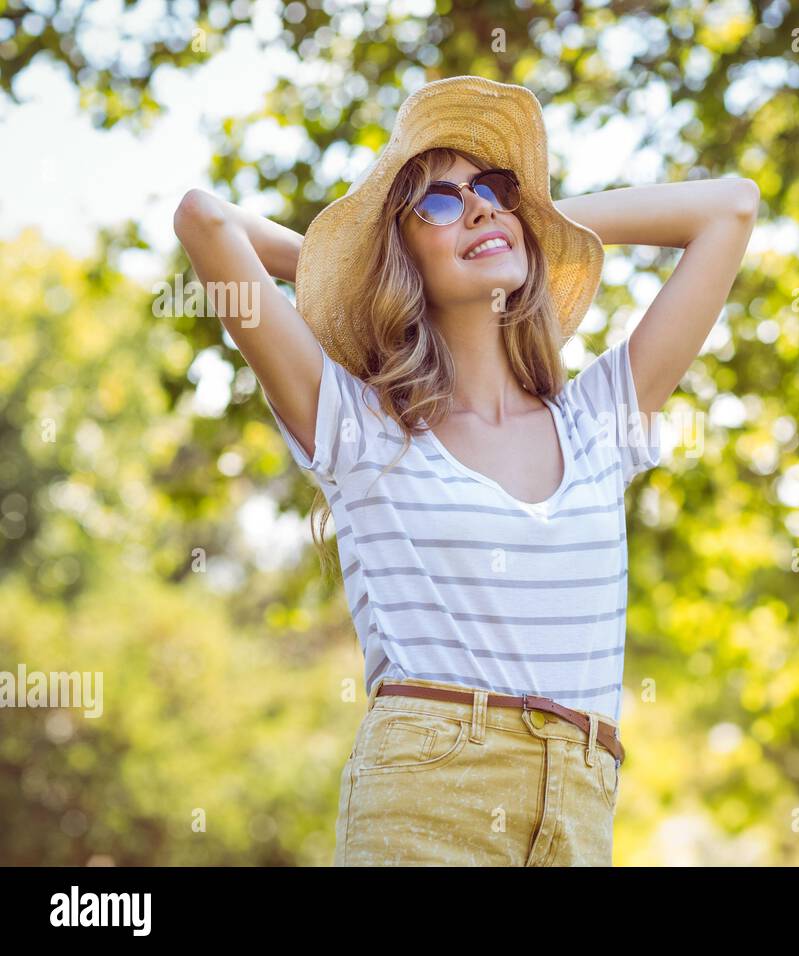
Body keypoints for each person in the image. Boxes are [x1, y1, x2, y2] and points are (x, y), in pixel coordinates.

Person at [173, 75, 758, 866]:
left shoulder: (597, 426)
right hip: (427, 805)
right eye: (438, 203)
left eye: (493, 189)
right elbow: (203, 219)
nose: (480, 207)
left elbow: (730, 207)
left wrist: (534, 222)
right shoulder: (362, 429)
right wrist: (354, 261)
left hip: (581, 812)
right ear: (400, 256)